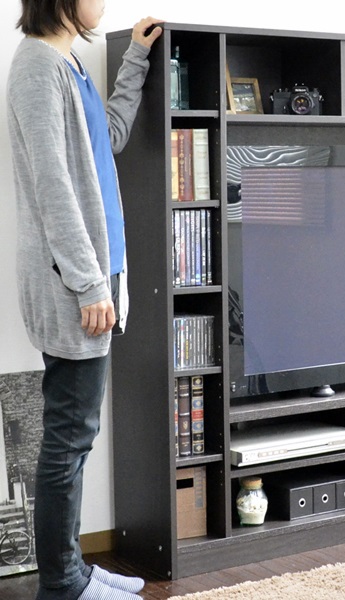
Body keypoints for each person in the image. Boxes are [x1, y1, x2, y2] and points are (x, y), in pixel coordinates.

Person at [6, 2, 162, 599]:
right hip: (74, 285)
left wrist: (136, 57)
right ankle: (62, 584)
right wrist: (89, 284)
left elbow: (110, 137)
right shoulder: (36, 68)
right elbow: (53, 188)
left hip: (98, 278)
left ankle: (74, 569)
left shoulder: (69, 64)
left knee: (76, 437)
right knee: (68, 439)